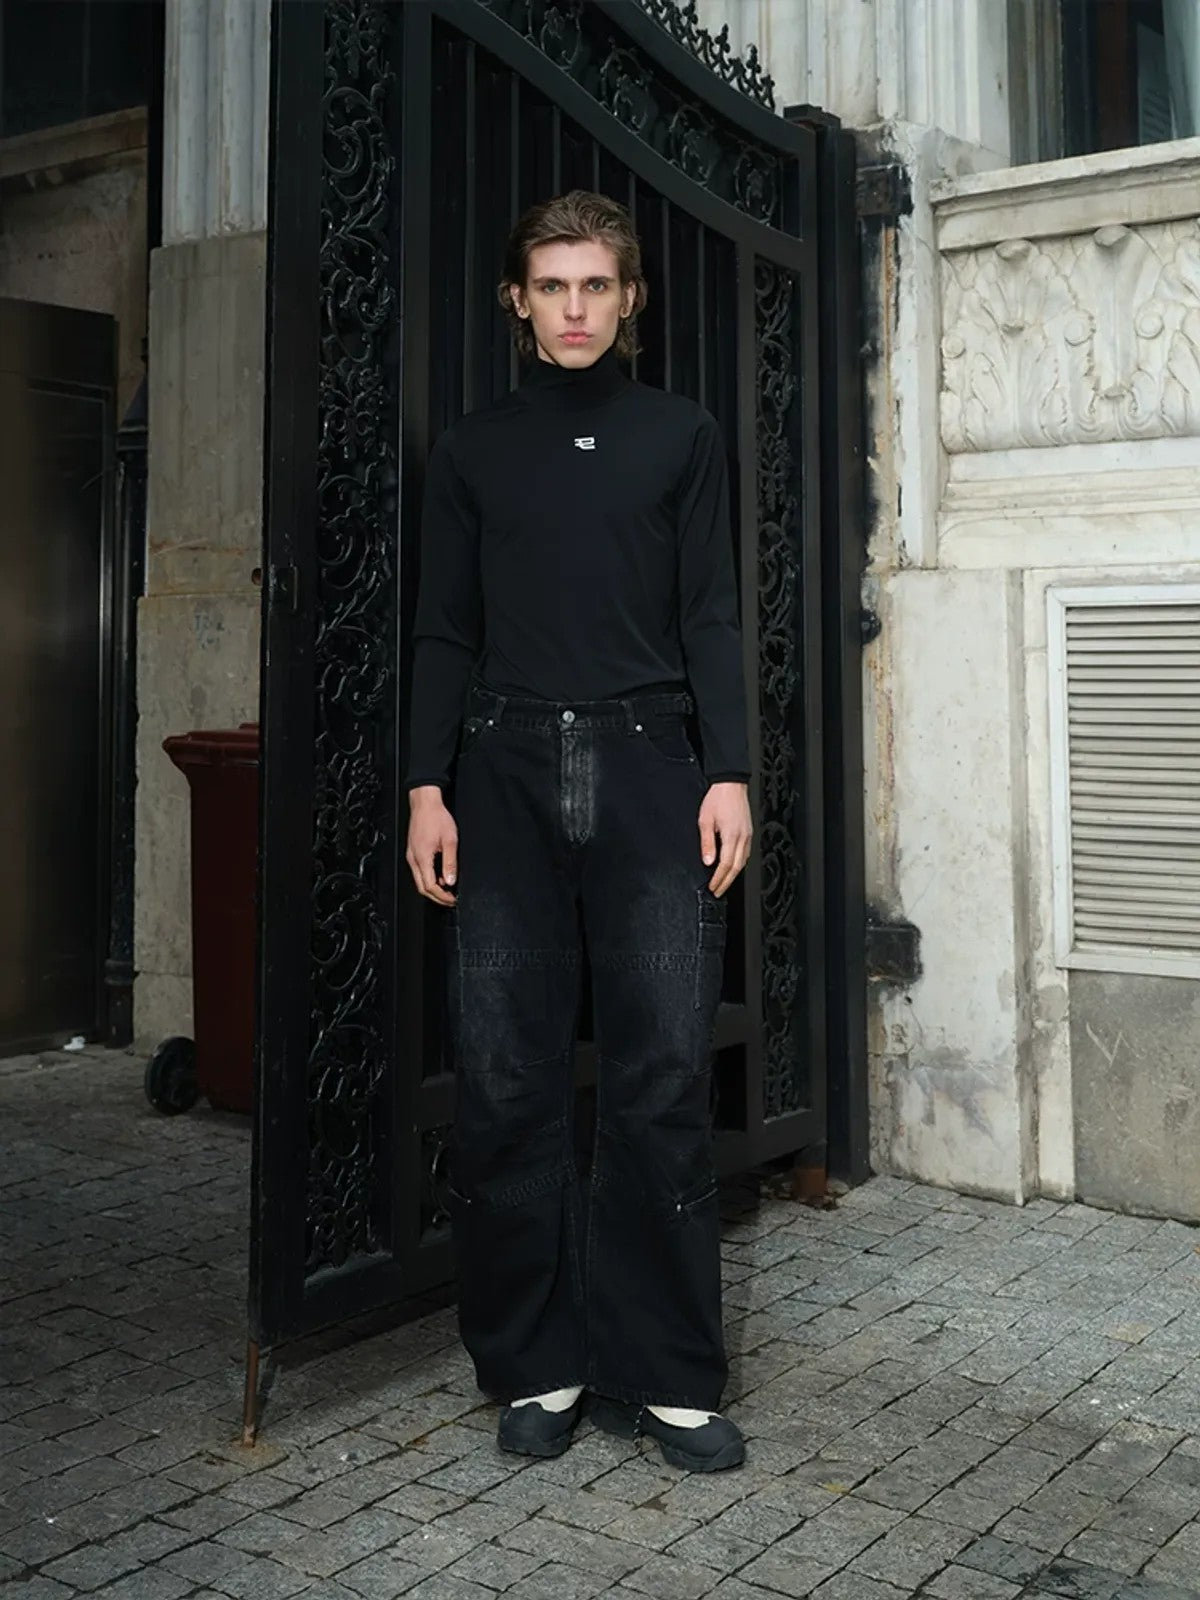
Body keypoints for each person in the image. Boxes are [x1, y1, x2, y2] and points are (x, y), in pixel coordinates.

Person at [403, 190, 753, 1474]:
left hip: (653, 765)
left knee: (662, 1071)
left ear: (629, 297)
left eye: (595, 285)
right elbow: (444, 626)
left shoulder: (681, 435)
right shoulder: (473, 450)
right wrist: (424, 785)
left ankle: (665, 1370)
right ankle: (536, 1362)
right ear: (517, 300)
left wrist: (730, 770)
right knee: (508, 1077)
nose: (573, 309)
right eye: (551, 286)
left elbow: (710, 611)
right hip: (500, 771)